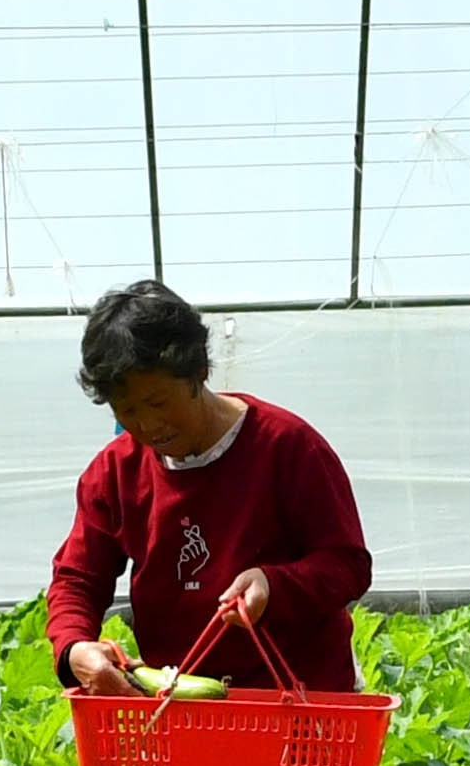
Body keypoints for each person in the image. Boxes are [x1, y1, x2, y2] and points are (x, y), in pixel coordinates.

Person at [44, 282, 371, 696]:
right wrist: (73, 646)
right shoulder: (114, 472)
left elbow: (348, 565)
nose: (148, 425)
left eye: (159, 402)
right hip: (180, 702)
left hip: (302, 697)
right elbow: (78, 578)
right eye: (127, 411)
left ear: (199, 371)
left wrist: (274, 584)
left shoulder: (288, 447)